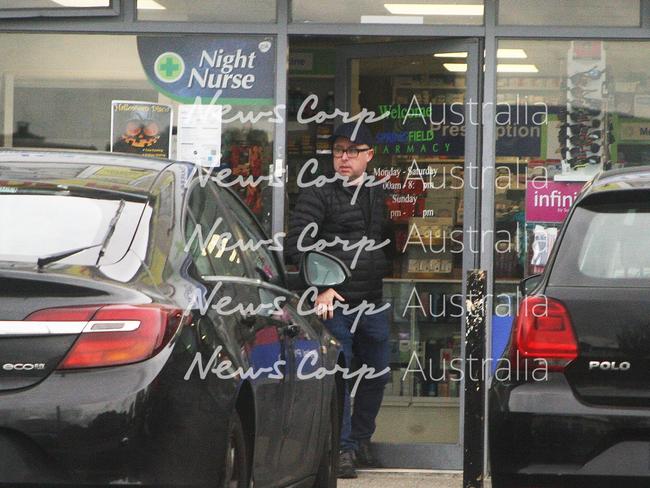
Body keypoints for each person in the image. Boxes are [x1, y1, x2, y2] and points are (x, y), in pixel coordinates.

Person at [285, 121, 391, 479]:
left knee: (377, 373)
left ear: (369, 155)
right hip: (335, 302)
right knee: (340, 375)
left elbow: (380, 239)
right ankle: (342, 449)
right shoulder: (319, 193)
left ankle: (360, 440)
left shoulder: (376, 192)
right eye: (338, 151)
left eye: (352, 151)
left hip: (372, 300)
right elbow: (297, 246)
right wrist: (320, 287)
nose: (343, 158)